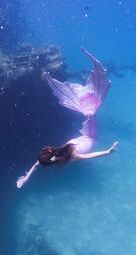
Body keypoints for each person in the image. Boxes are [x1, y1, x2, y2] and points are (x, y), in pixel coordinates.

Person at [16, 48, 119, 188]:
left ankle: (88, 88)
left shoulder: (63, 157)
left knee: (90, 112)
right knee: (90, 113)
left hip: (87, 136)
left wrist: (26, 178)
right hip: (86, 137)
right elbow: (38, 164)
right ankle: (91, 86)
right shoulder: (63, 155)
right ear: (50, 154)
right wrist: (108, 151)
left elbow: (37, 165)